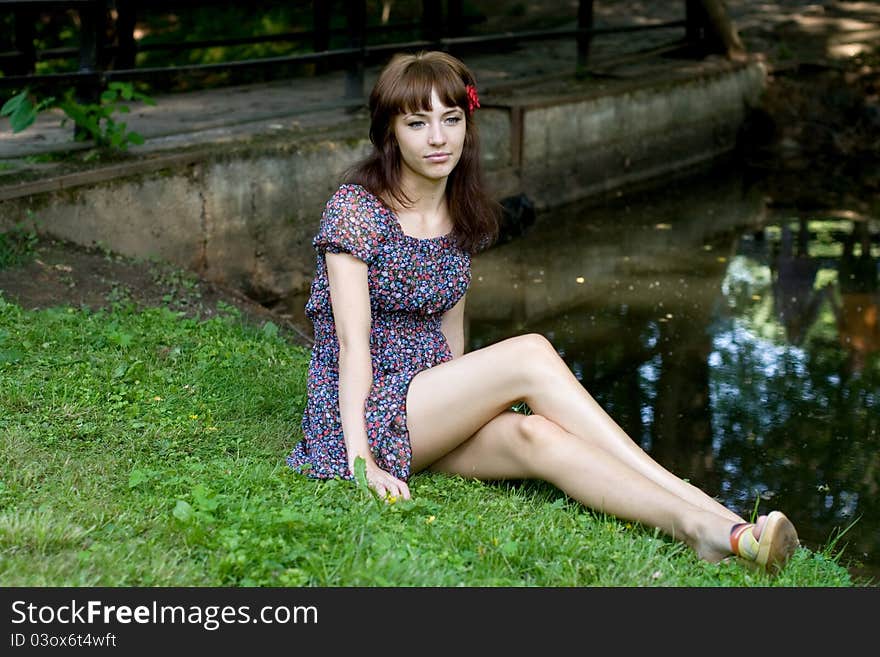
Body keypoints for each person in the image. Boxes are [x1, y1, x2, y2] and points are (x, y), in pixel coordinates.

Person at [286, 50, 800, 574]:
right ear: (390, 132)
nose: (438, 138)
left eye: (451, 119)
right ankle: (697, 496)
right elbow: (351, 347)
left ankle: (711, 532)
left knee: (537, 437)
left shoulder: (460, 212)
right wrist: (361, 462)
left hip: (427, 407)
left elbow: (451, 342)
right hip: (361, 414)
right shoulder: (355, 210)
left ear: (468, 124)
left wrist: (470, 409)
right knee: (529, 352)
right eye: (418, 123)